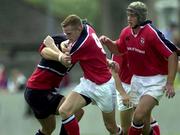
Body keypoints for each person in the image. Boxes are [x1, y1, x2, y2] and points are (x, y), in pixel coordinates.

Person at [99, 1, 178, 135]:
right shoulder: (126, 32)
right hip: (137, 80)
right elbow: (118, 49)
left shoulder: (151, 33)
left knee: (137, 116)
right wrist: (108, 43)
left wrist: (170, 83)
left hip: (155, 81)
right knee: (145, 126)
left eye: (133, 15)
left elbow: (172, 55)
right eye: (128, 15)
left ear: (140, 17)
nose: (129, 18)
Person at [55, 14, 122, 135]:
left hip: (104, 87)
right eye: (65, 34)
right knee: (64, 111)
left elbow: (66, 62)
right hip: (88, 83)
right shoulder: (87, 27)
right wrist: (107, 61)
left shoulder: (80, 45)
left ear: (79, 29)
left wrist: (53, 46)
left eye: (69, 34)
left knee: (111, 127)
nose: (67, 37)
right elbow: (94, 51)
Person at [24, 34, 84, 135]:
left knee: (48, 129)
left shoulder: (81, 49)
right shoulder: (64, 40)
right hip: (38, 90)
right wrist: (59, 56)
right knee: (76, 112)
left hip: (37, 91)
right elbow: (43, 50)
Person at [111, 54, 160, 135]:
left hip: (139, 85)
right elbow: (114, 74)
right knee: (126, 129)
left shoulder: (143, 44)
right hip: (124, 87)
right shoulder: (120, 47)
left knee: (143, 122)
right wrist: (123, 94)